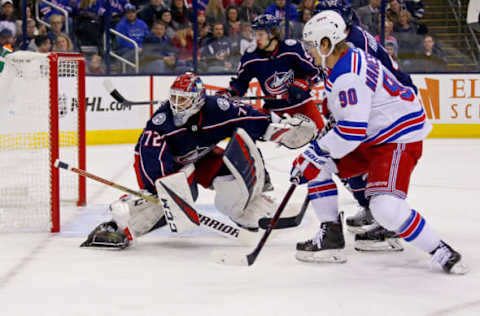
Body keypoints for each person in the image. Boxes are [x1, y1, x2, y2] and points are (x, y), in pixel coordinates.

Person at [292, 10, 468, 274]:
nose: (308, 52)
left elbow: (351, 131)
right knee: (315, 165)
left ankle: (441, 250)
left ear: (327, 43)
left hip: (397, 137)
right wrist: (319, 149)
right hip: (375, 133)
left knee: (385, 208)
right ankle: (330, 235)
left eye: (311, 45)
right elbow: (353, 115)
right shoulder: (344, 58)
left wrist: (317, 149)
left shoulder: (348, 75)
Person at [81, 73, 317, 248]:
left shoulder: (218, 109)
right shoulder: (162, 124)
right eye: (174, 98)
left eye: (183, 100)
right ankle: (120, 225)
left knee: (231, 179)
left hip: (202, 156)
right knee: (167, 200)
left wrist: (279, 128)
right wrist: (160, 190)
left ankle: (253, 210)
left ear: (198, 101)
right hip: (169, 167)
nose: (176, 105)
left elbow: (247, 117)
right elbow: (148, 155)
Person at [315, 1, 417, 247]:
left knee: (364, 159)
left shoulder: (353, 44)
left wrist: (344, 119)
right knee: (347, 160)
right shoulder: (347, 39)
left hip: (387, 109)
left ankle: (388, 220)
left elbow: (361, 83)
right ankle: (374, 209)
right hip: (379, 104)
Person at [226, 14, 325, 131]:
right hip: (274, 112)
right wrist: (231, 93)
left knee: (322, 139)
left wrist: (303, 84)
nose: (256, 38)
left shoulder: (292, 49)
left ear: (272, 34)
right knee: (249, 135)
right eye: (255, 34)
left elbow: (316, 73)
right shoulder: (251, 57)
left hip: (303, 106)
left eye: (260, 34)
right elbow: (241, 82)